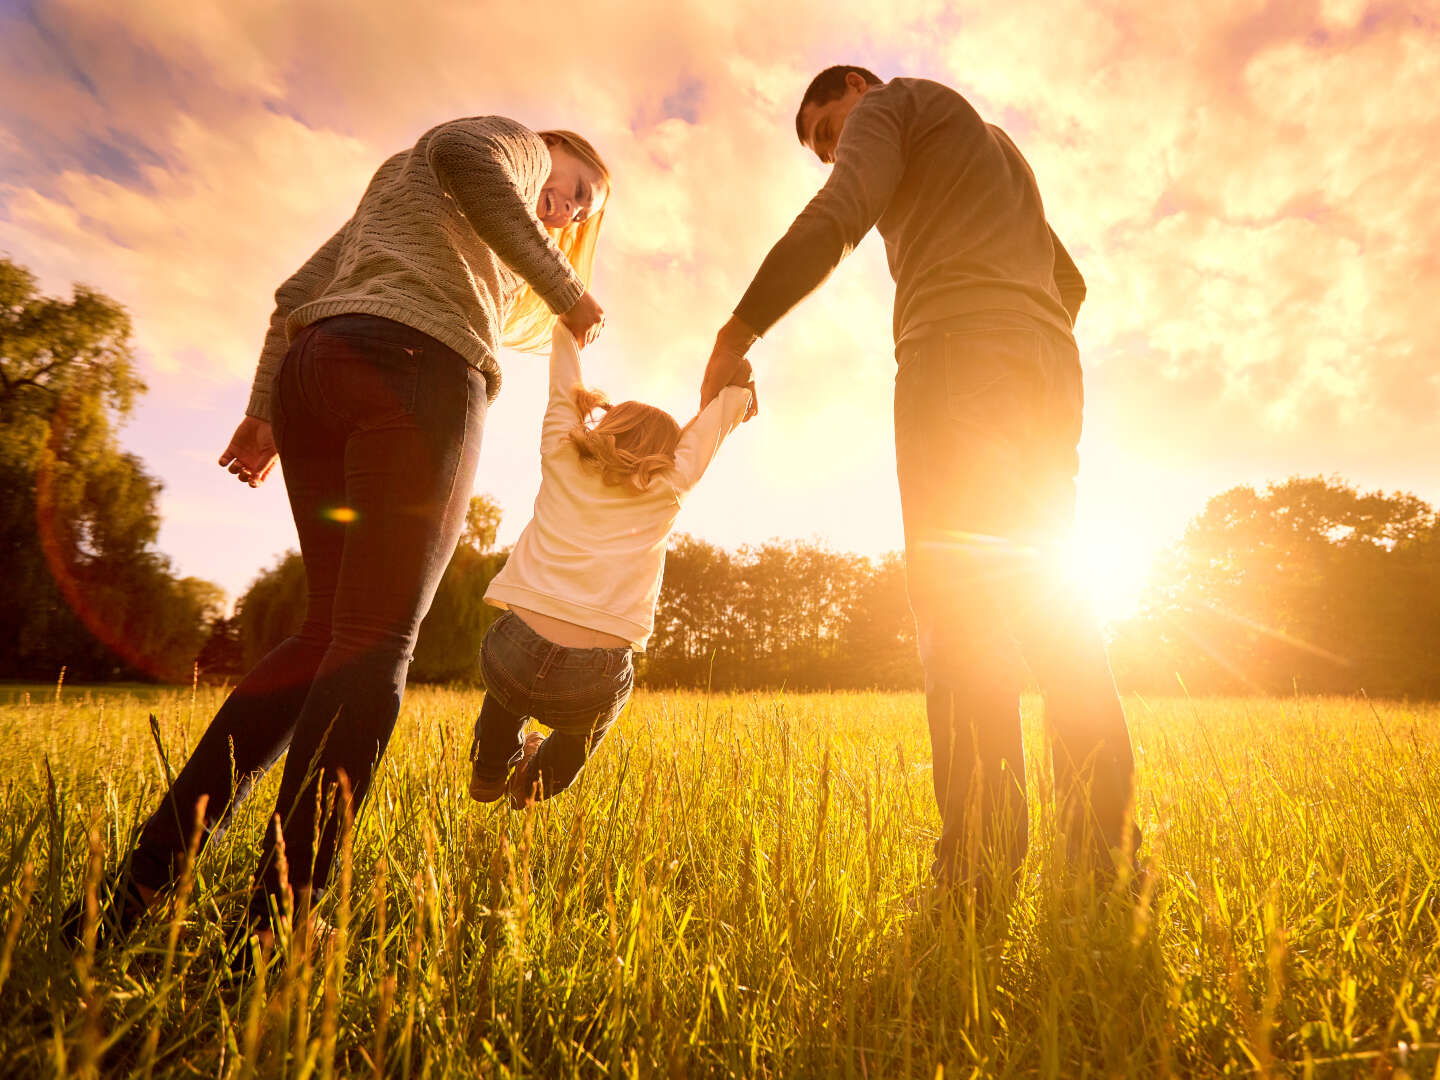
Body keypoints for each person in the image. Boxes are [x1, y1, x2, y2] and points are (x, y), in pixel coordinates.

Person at [63, 118, 611, 951]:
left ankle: (140, 885)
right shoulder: (509, 144)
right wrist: (565, 287)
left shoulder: (404, 196)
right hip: (418, 367)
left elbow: (293, 295)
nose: (567, 212)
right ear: (549, 148)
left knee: (325, 634)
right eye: (575, 188)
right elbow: (467, 155)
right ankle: (280, 922)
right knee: (377, 640)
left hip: (316, 374)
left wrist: (261, 411)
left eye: (580, 214)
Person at [700, 66, 1140, 893]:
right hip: (1049, 368)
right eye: (824, 147)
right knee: (1055, 607)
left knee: (960, 607)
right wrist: (1018, 328)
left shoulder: (894, 105)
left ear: (858, 88)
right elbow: (1069, 280)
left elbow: (839, 215)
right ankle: (1104, 857)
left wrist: (738, 330)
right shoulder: (994, 146)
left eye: (832, 131)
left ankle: (976, 865)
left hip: (958, 360)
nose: (835, 153)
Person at [468, 323, 753, 807]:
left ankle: (491, 769)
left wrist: (567, 329)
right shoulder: (670, 485)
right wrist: (738, 389)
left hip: (514, 649)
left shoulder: (562, 453)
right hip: (593, 674)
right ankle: (535, 786)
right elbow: (713, 427)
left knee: (507, 692)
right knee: (582, 732)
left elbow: (563, 387)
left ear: (606, 425)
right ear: (669, 454)